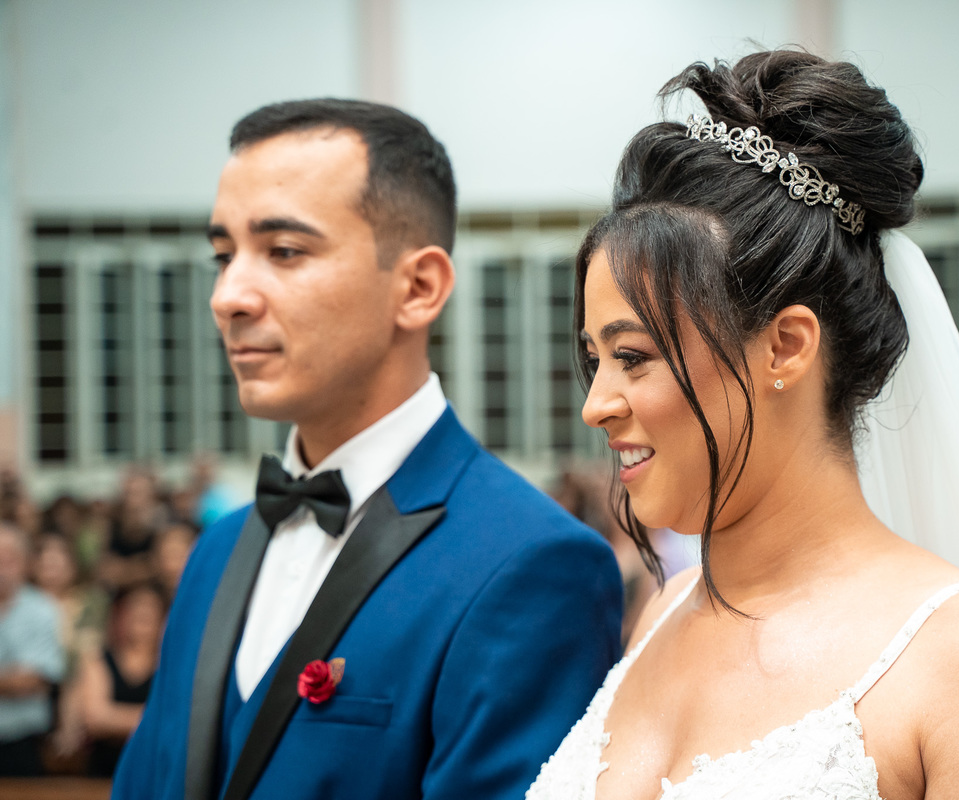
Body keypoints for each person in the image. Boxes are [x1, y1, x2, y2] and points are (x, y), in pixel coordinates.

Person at [528, 50, 959, 800]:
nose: (596, 405)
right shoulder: (663, 615)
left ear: (786, 346)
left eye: (634, 357)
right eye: (595, 360)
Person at [113, 99, 623, 800]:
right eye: (224, 256)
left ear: (418, 287)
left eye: (283, 251)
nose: (228, 297)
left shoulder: (531, 563)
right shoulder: (215, 552)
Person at [77, 581, 166, 776]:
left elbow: (175, 720)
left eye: (150, 610)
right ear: (121, 616)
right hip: (105, 766)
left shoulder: (170, 665)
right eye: (135, 609)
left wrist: (115, 717)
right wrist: (153, 718)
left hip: (155, 765)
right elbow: (95, 718)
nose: (142, 615)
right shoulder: (98, 659)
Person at [0, 523, 66, 776]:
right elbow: (19, 679)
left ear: (26, 564)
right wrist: (12, 679)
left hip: (23, 742)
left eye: (9, 559)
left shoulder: (43, 610)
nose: (2, 568)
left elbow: (34, 680)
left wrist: (21, 681)